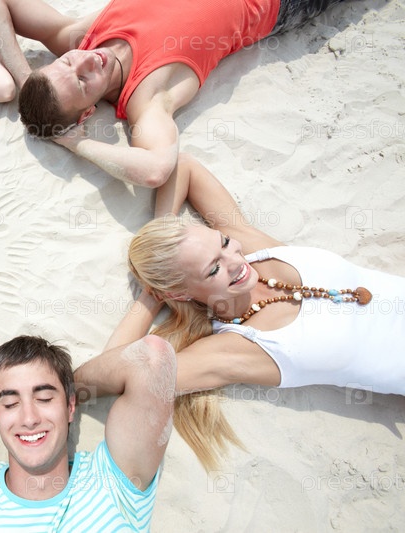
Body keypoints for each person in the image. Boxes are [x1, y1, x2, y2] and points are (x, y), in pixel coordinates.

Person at [105, 153, 405, 470]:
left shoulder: (253, 253)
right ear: (179, 292)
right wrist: (152, 297)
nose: (234, 260)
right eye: (212, 269)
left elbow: (184, 166)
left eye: (224, 242)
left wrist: (169, 245)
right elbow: (116, 369)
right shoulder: (236, 347)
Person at [0, 0, 350, 187]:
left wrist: (24, 78)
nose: (89, 60)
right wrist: (78, 144)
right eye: (83, 82)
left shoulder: (78, 37)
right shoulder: (146, 96)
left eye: (67, 62)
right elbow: (156, 170)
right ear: (87, 112)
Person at [0, 333, 176, 531]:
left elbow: (152, 358)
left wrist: (71, 383)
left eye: (44, 398)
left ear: (70, 407)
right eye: (10, 403)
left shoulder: (112, 482)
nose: (29, 418)